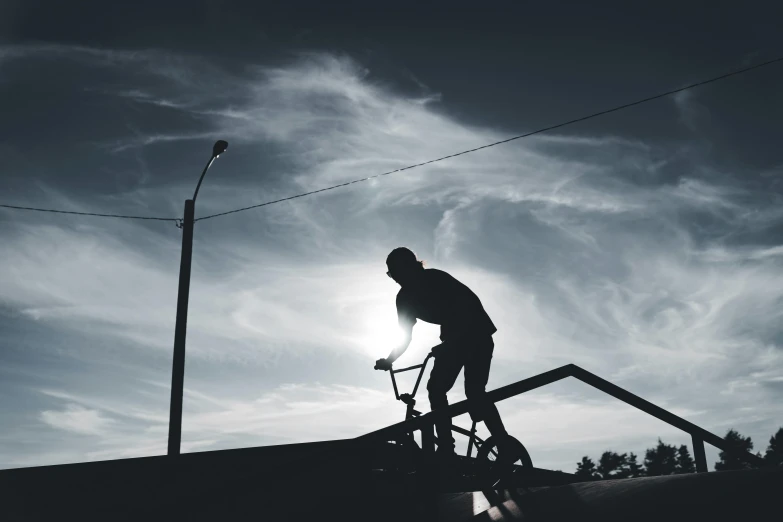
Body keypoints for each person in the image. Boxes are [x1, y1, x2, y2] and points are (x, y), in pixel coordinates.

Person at [374, 247, 514, 469]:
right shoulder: (404, 298)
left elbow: (468, 306)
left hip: (477, 334)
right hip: (453, 339)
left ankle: (503, 444)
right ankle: (447, 446)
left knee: (473, 392)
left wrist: (451, 342)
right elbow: (406, 334)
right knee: (437, 389)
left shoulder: (436, 279)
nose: (395, 279)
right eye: (391, 275)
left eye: (397, 273)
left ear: (411, 266)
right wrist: (390, 360)